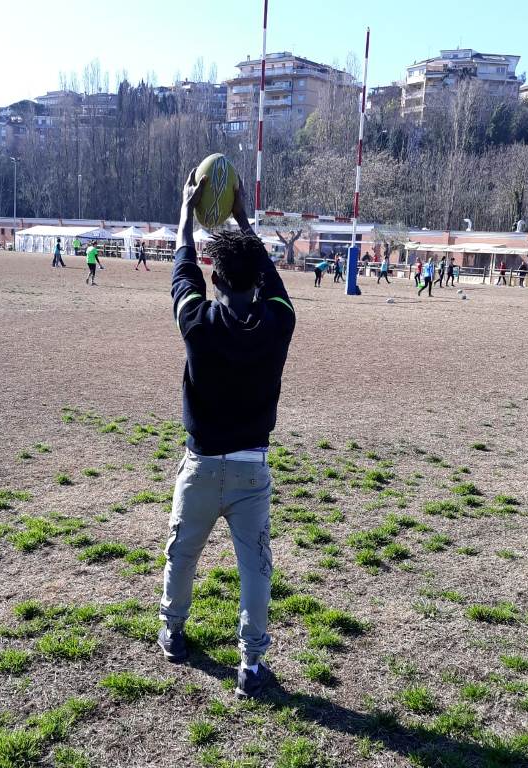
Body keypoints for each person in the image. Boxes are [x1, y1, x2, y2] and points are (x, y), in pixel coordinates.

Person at [159, 170, 295, 701]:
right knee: (256, 569)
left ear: (215, 278)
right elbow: (272, 281)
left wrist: (186, 214)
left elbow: (182, 270)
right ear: (256, 278)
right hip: (250, 473)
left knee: (181, 554)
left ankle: (172, 633)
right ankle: (251, 665)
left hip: (199, 467)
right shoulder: (279, 324)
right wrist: (242, 221)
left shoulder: (197, 322)